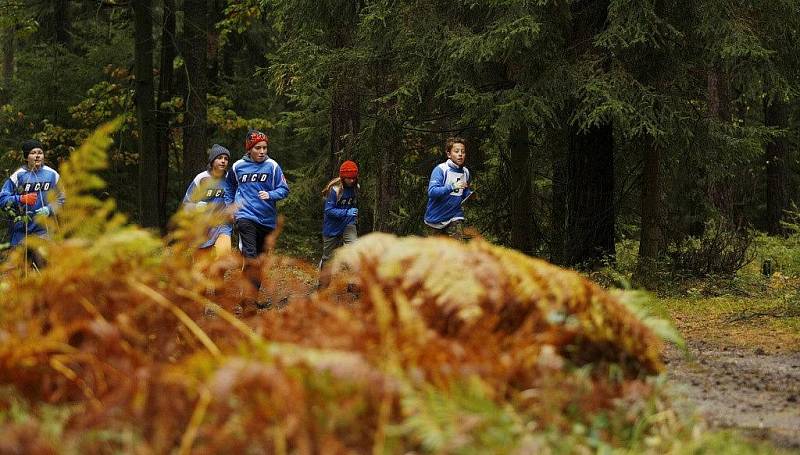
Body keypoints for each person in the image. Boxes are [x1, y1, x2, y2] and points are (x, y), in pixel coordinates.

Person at [226, 129, 289, 305]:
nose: (262, 152)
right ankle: (249, 301)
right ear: (249, 149)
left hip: (267, 220)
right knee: (251, 258)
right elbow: (229, 186)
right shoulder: (238, 166)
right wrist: (231, 207)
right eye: (258, 148)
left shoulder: (273, 166)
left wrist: (271, 195)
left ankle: (249, 297)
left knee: (259, 262)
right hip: (245, 217)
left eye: (265, 148)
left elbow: (284, 189)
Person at [0, 139, 65, 268]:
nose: (37, 155)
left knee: (45, 268)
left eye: (40, 152)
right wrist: (20, 199)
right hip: (20, 231)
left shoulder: (52, 175)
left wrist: (49, 209)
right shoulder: (18, 176)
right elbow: (2, 199)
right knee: (20, 271)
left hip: (43, 230)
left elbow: (62, 198)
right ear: (26, 157)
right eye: (33, 152)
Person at [182, 144, 233, 256]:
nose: (223, 161)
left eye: (226, 159)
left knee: (224, 255)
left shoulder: (230, 179)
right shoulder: (201, 178)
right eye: (219, 158)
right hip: (203, 228)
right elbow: (186, 204)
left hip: (223, 226)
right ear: (212, 160)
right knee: (203, 267)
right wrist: (196, 207)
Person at [423, 137, 473, 239]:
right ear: (449, 154)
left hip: (455, 216)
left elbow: (462, 193)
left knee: (456, 251)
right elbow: (432, 192)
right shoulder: (440, 170)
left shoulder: (466, 172)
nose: (460, 154)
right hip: (435, 218)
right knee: (433, 254)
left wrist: (469, 194)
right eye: (456, 151)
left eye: (463, 152)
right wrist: (452, 186)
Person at [319, 160, 359, 269]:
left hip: (348, 224)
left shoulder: (356, 187)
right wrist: (347, 212)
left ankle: (353, 284)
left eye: (353, 178)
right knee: (328, 258)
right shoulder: (334, 190)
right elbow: (329, 210)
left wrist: (353, 214)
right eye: (349, 178)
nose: (351, 180)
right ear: (342, 177)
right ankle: (323, 284)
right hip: (332, 226)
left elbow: (353, 203)